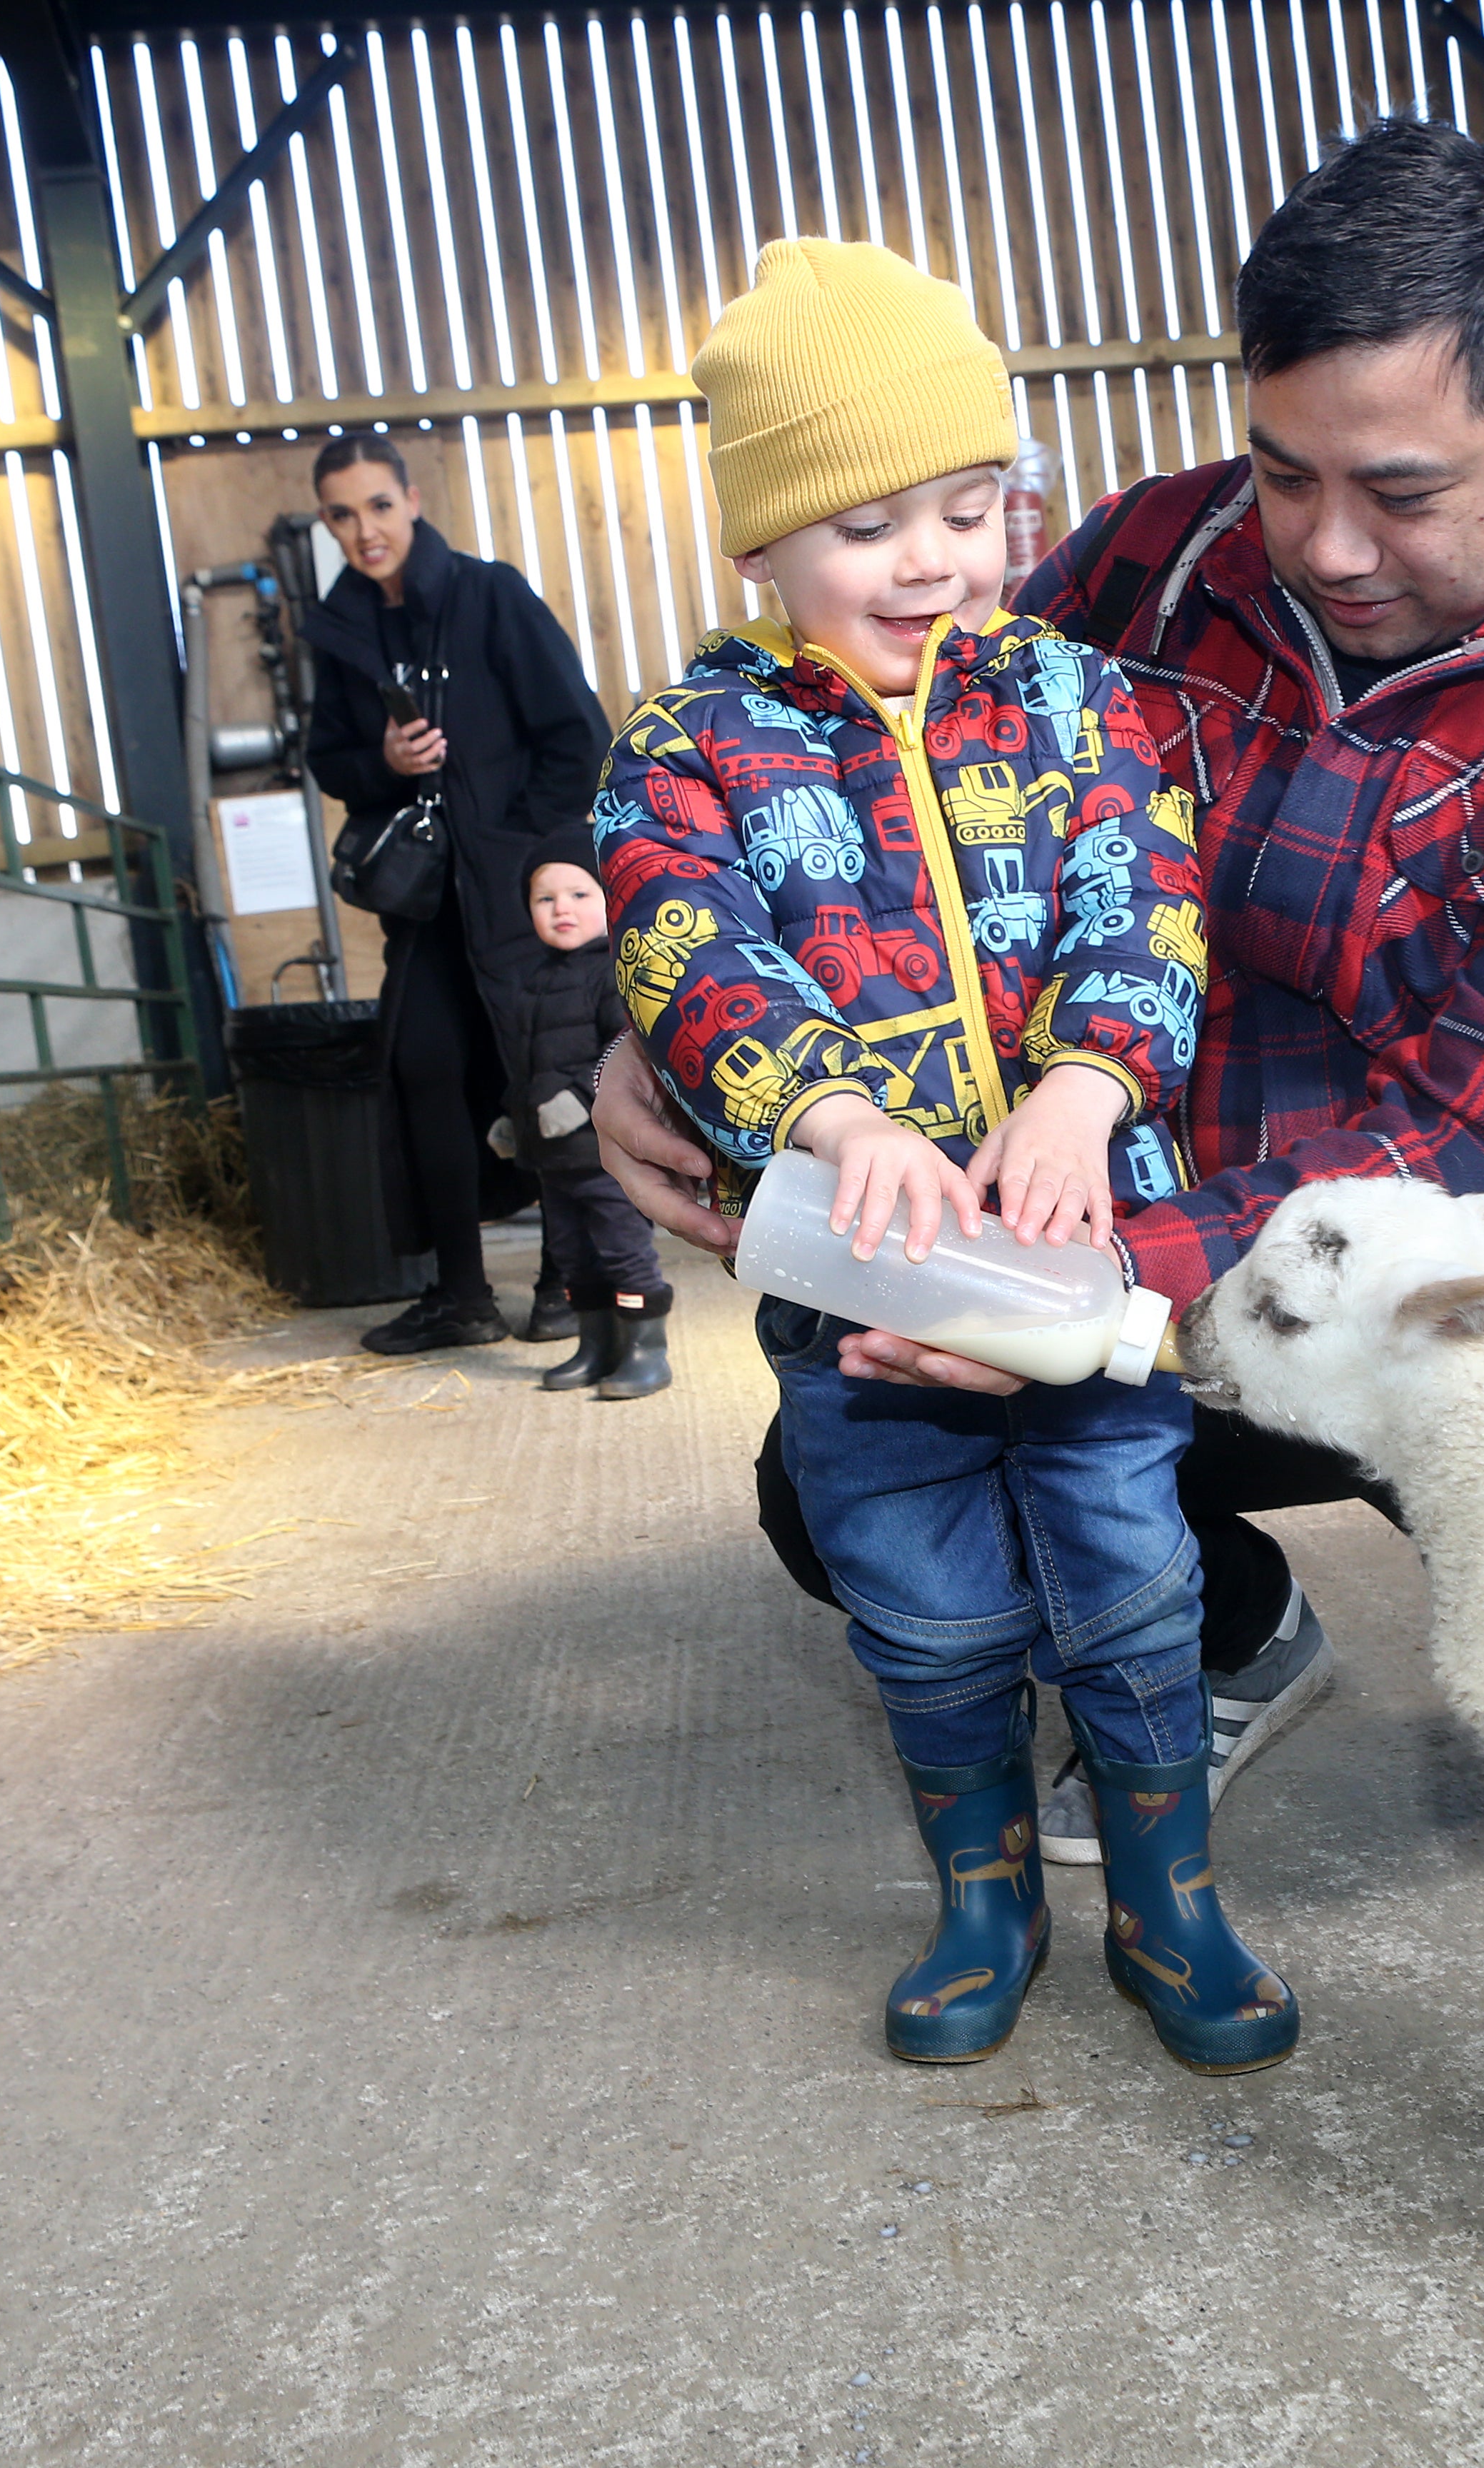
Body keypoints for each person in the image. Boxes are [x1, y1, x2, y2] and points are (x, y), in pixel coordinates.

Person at [591, 119, 1484, 1865]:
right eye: (1279, 469)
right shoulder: (1151, 565)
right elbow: (870, 800)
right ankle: (1235, 1626)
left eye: (1398, 490)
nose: (1319, 543)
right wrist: (687, 1031)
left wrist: (1040, 1288)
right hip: (1133, 1203)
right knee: (841, 1476)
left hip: (1390, 1256)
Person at [594, 236, 1290, 2074]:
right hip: (864, 1295)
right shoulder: (687, 747)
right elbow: (682, 943)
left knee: (1133, 1574)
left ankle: (1172, 1896)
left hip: (1079, 1258)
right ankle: (985, 1894)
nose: (932, 559)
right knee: (918, 1598)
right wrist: (827, 1114)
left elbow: (1141, 896)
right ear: (757, 541)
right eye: (867, 523)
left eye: (970, 509)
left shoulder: (1069, 697)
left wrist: (1086, 1086)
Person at [302, 435, 614, 1354]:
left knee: (544, 1076)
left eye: (379, 507)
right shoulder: (342, 630)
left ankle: (571, 1279)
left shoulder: (490, 597)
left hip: (519, 896)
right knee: (426, 1068)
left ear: (413, 499)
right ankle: (461, 1293)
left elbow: (576, 736)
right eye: (343, 516)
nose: (365, 531)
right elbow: (330, 760)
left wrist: (539, 861)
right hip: (430, 904)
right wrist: (384, 763)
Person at [504, 835, 676, 1394]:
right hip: (553, 1157)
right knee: (572, 1258)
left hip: (604, 1156)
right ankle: (595, 1345)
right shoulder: (531, 980)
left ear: (610, 898)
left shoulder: (613, 975)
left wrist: (579, 1099)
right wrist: (512, 1117)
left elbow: (623, 1053)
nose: (562, 909)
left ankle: (647, 1352)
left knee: (623, 1251)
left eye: (579, 893)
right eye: (544, 899)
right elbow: (527, 1065)